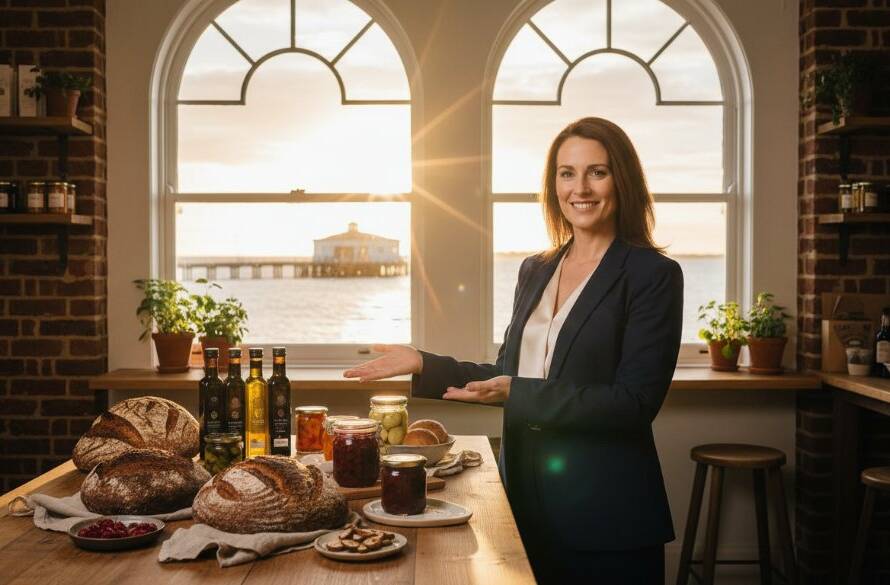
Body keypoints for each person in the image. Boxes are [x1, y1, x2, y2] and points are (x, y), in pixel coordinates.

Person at [344, 117, 683, 584]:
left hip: (607, 514)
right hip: (523, 502)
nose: (580, 188)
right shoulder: (536, 269)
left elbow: (634, 403)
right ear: (554, 185)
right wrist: (425, 363)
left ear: (622, 180)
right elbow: (508, 371)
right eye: (567, 173)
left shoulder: (652, 275)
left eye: (597, 172)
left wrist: (516, 392)